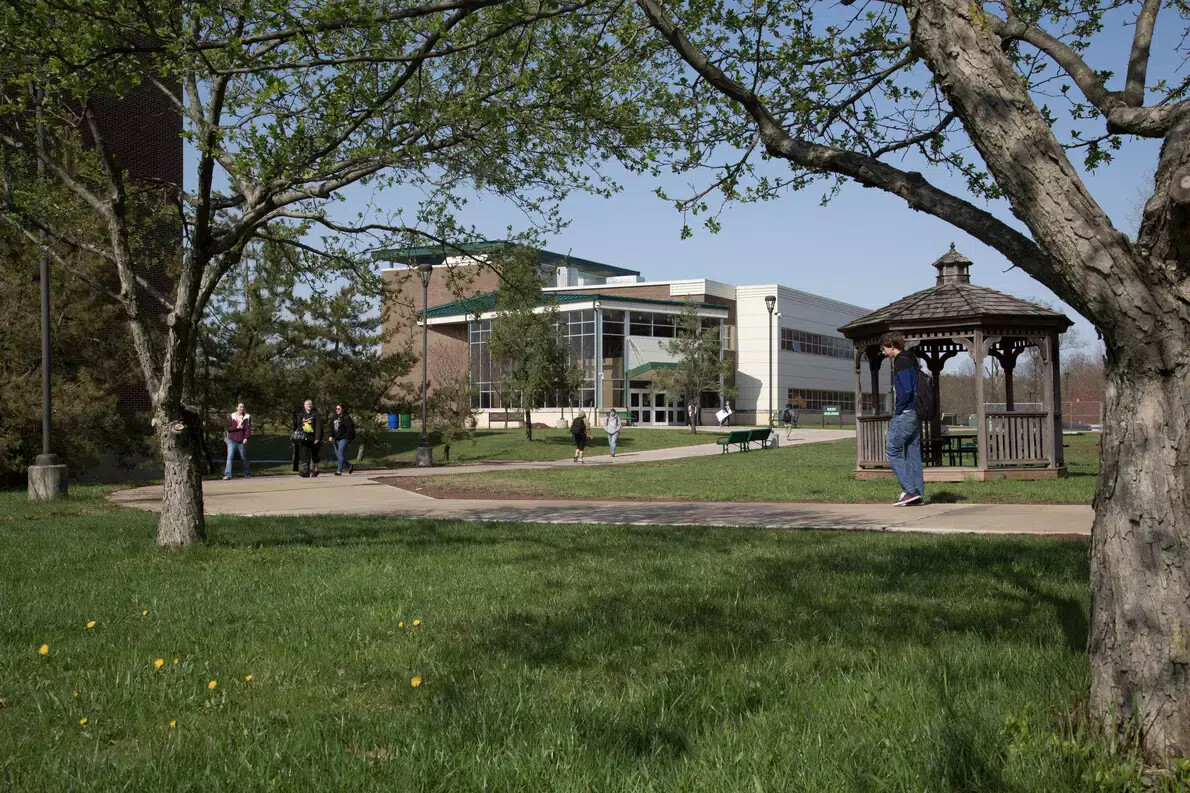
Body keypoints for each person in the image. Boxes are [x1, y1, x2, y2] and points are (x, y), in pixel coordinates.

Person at [881, 333, 925, 506]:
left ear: (892, 345)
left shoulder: (901, 361)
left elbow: (906, 390)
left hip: (905, 413)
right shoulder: (912, 360)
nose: (883, 352)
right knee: (912, 453)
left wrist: (898, 410)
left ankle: (910, 490)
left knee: (892, 451)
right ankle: (918, 495)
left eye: (884, 348)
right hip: (915, 412)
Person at [223, 402, 252, 480]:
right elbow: (228, 428)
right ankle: (228, 475)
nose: (241, 408)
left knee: (243, 457)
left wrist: (246, 438)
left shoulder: (247, 417)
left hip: (241, 440)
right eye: (240, 407)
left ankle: (247, 474)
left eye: (242, 407)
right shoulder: (232, 416)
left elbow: (248, 429)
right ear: (236, 408)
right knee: (229, 457)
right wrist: (237, 427)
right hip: (231, 440)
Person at [327, 403, 356, 475]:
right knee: (338, 455)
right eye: (336, 409)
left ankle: (339, 471)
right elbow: (330, 427)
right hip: (336, 438)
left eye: (339, 409)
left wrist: (348, 439)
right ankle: (349, 466)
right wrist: (330, 435)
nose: (337, 410)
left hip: (344, 438)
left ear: (343, 409)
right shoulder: (334, 417)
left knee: (340, 453)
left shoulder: (346, 418)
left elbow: (350, 429)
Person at [296, 399, 322, 478]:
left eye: (310, 404)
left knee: (315, 455)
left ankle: (316, 470)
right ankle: (306, 471)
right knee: (305, 454)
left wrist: (317, 438)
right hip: (304, 437)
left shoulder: (315, 414)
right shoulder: (301, 415)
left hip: (314, 437)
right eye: (307, 404)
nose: (309, 405)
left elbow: (318, 427)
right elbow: (299, 427)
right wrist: (303, 422)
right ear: (304, 406)